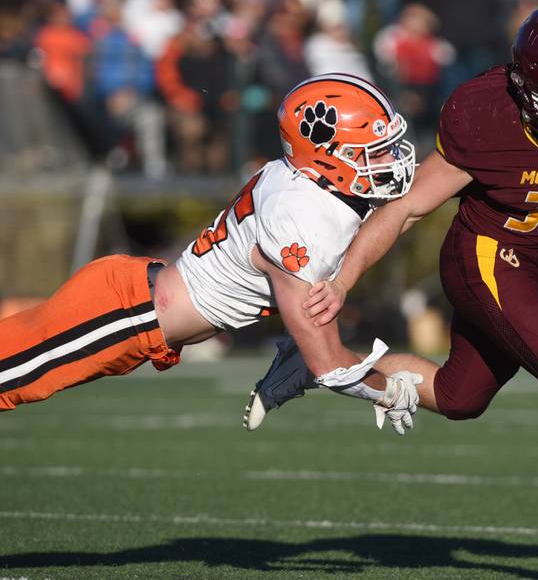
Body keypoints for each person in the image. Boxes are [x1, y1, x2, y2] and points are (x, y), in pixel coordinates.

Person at [248, 4, 538, 572]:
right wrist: (342, 280)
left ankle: (320, 364)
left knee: (458, 397)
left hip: (537, 262)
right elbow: (406, 208)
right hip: (484, 258)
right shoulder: (486, 117)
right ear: (522, 87)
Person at [0, 73, 422, 432]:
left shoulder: (304, 183)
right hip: (126, 313)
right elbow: (331, 365)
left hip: (134, 304)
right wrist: (391, 390)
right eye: (375, 150)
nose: (389, 160)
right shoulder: (301, 215)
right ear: (327, 153)